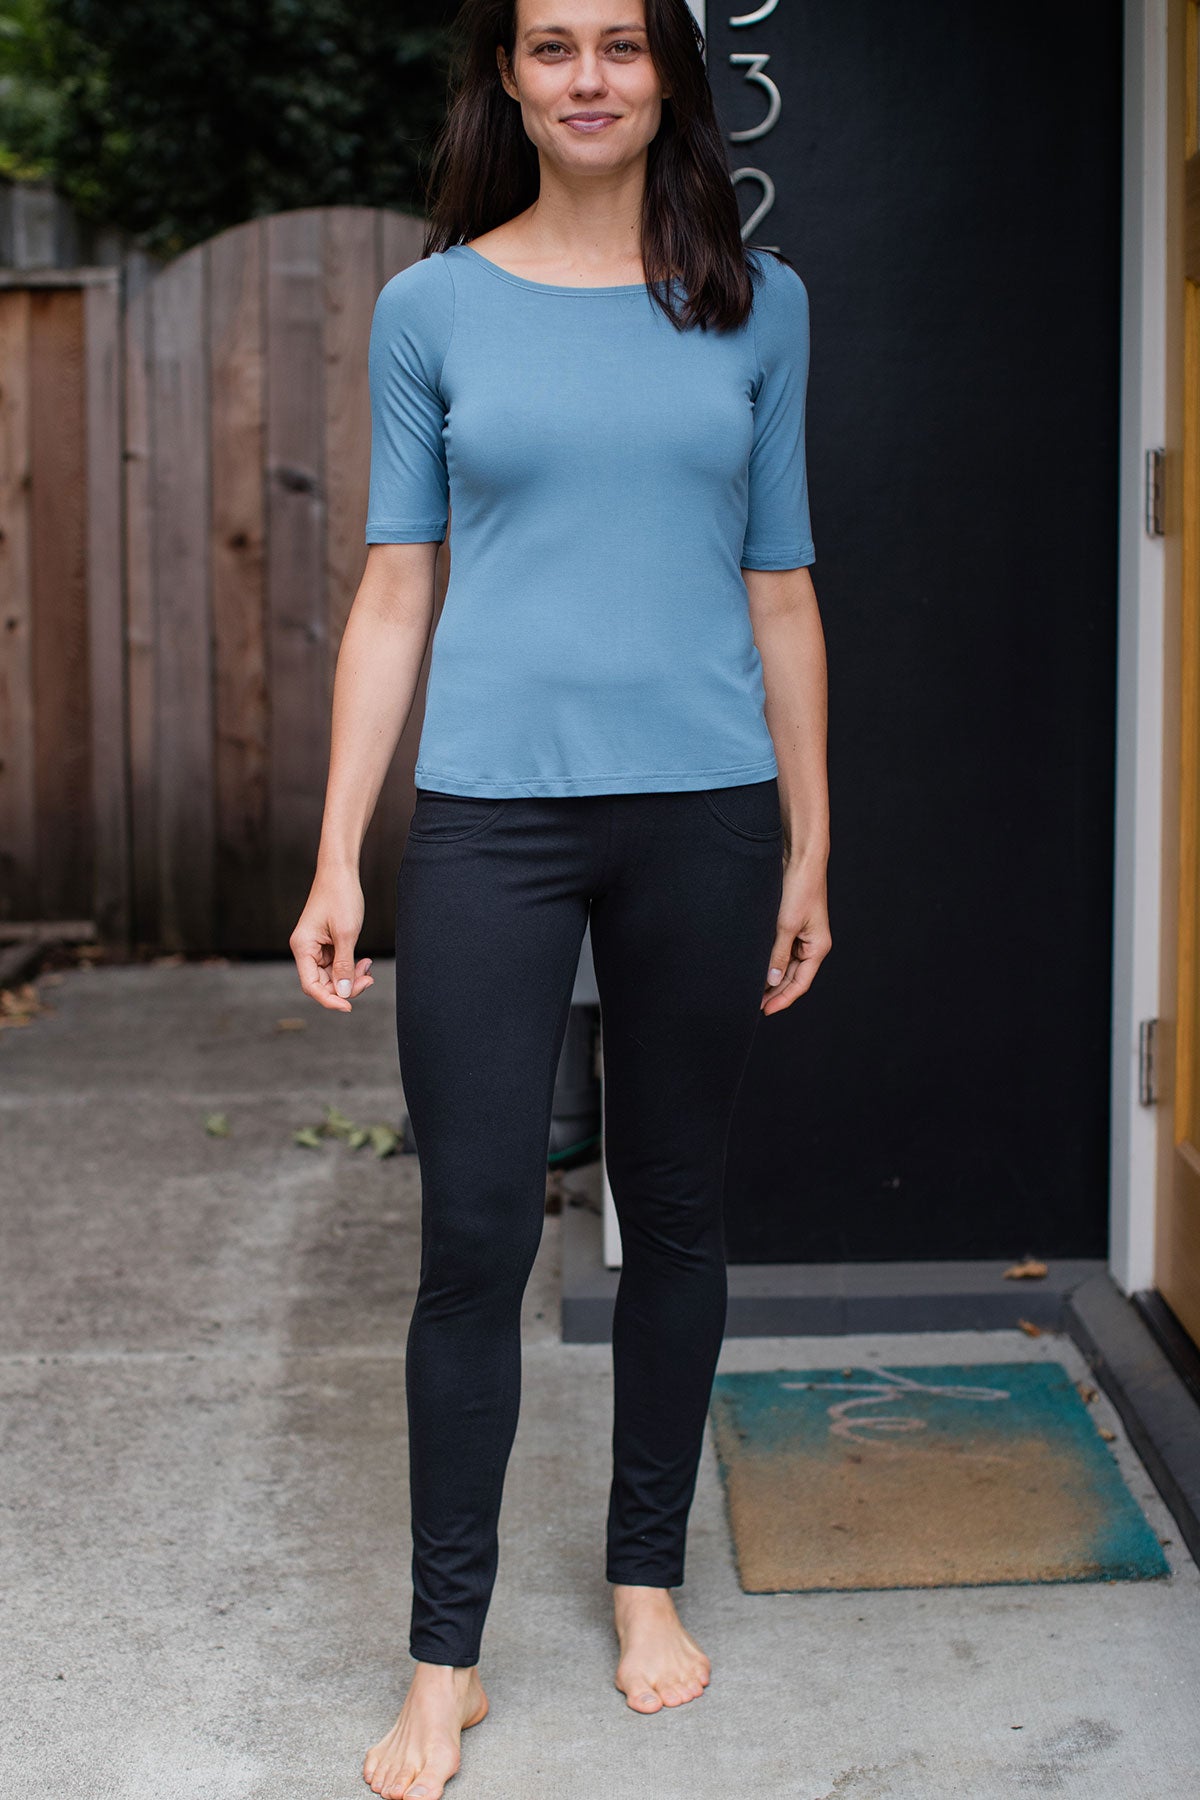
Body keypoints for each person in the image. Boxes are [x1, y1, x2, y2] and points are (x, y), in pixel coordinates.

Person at [289, 0, 831, 1791]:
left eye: (619, 42)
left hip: (704, 818)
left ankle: (645, 1580)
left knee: (674, 1215)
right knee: (471, 1239)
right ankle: (445, 1657)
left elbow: (781, 594)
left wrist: (813, 839)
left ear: (666, 71)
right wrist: (338, 849)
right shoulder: (432, 309)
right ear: (506, 80)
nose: (586, 76)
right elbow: (393, 591)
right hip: (492, 828)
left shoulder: (757, 306)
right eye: (550, 46)